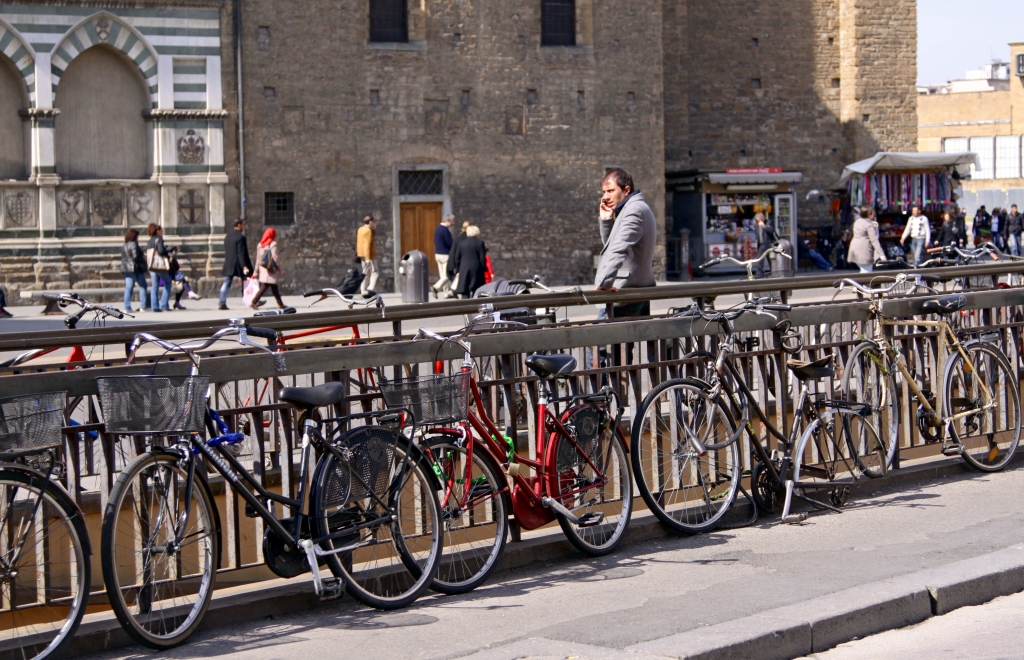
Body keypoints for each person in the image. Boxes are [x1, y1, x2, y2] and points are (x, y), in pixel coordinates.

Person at [594, 167, 656, 317]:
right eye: (604, 192)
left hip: (624, 293)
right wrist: (606, 221)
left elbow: (618, 249)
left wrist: (604, 284)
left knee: (602, 332)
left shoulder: (634, 210)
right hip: (633, 291)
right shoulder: (633, 208)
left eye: (610, 191)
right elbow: (612, 246)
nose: (605, 197)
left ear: (626, 190)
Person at [219, 219, 253, 310]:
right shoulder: (241, 237)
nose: (244, 226)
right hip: (239, 263)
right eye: (243, 224)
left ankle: (222, 302)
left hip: (229, 262)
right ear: (239, 225)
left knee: (227, 282)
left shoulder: (228, 236)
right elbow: (241, 253)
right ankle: (250, 300)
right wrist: (244, 266)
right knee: (247, 281)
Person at [250, 227, 286, 309]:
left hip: (263, 268)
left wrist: (255, 272)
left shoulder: (260, 245)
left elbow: (258, 259)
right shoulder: (272, 244)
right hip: (270, 269)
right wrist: (280, 269)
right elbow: (275, 257)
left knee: (274, 287)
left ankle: (280, 304)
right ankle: (254, 301)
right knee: (265, 286)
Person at [453, 225, 488, 298]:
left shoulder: (461, 243)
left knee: (465, 291)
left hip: (464, 269)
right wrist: (484, 268)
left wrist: (458, 269)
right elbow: (482, 258)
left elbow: (457, 258)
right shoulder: (480, 243)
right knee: (477, 290)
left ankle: (465, 305)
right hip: (476, 269)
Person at [847, 206, 885, 273]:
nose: (874, 215)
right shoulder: (869, 225)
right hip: (864, 250)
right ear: (869, 214)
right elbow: (874, 240)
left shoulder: (857, 222)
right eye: (873, 213)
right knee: (866, 272)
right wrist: (881, 254)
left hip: (854, 248)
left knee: (863, 271)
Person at [120, 228, 149, 312]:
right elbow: (135, 257)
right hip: (135, 269)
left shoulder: (124, 245)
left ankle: (127, 307)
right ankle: (143, 306)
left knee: (128, 288)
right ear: (135, 236)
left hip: (126, 269)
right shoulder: (134, 244)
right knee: (143, 285)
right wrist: (143, 258)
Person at [146, 224, 173, 312]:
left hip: (152, 266)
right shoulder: (159, 239)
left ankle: (154, 307)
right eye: (161, 231)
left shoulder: (150, 240)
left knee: (154, 286)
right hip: (159, 266)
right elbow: (161, 251)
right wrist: (168, 250)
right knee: (168, 282)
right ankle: (164, 304)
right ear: (158, 231)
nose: (162, 233)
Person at [432, 214, 454, 299]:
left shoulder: (437, 229)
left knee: (442, 275)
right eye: (452, 221)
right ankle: (436, 287)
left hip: (437, 254)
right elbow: (449, 243)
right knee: (446, 275)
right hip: (445, 255)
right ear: (447, 221)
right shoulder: (445, 230)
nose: (453, 223)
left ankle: (446, 293)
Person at [356, 215, 379, 295]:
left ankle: (363, 291)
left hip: (362, 253)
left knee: (365, 273)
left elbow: (369, 238)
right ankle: (370, 288)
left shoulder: (360, 229)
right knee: (375, 271)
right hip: (369, 255)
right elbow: (367, 244)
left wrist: (373, 230)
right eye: (373, 222)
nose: (374, 223)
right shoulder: (368, 231)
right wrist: (368, 258)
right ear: (370, 222)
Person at [752, 212, 778, 279]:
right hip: (761, 245)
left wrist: (764, 226)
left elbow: (771, 231)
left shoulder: (769, 222)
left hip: (769, 244)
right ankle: (759, 275)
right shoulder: (756, 225)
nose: (759, 221)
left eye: (760, 219)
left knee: (771, 260)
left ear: (762, 218)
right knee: (759, 260)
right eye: (757, 219)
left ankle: (774, 273)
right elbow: (757, 235)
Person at [447, 220, 471, 291]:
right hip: (465, 262)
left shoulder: (458, 237)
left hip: (458, 262)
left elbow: (453, 251)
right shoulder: (468, 238)